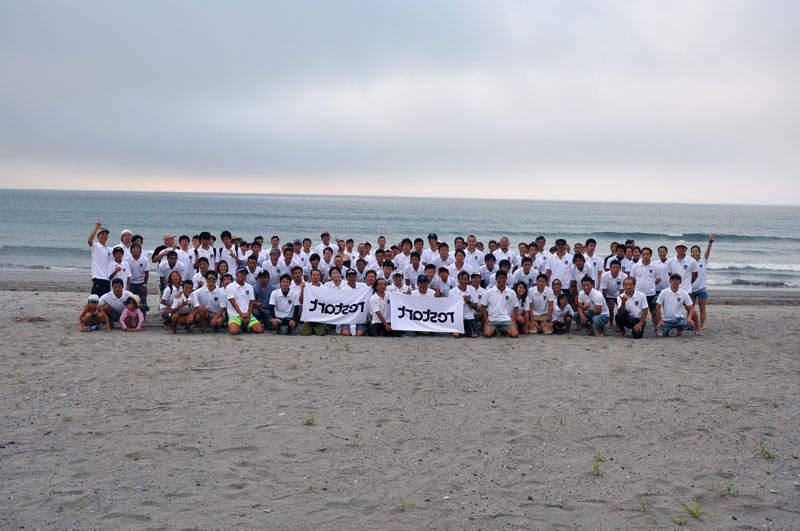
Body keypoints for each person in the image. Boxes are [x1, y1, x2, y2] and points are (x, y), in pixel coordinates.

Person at [655, 273, 697, 338]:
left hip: (678, 319)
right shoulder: (663, 292)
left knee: (691, 325)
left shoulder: (684, 293)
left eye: (677, 280)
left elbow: (691, 309)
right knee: (659, 335)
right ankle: (667, 330)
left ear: (680, 282)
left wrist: (689, 318)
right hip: (666, 319)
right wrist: (660, 320)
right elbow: (657, 307)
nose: (675, 282)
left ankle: (679, 329)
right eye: (673, 280)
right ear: (670, 281)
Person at [630, 247, 662, 328]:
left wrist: (651, 285)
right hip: (638, 294)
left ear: (650, 255)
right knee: (636, 312)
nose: (645, 256)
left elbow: (658, 279)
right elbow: (632, 279)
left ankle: (656, 328)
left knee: (654, 312)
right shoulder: (635, 266)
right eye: (643, 254)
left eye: (647, 254)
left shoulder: (655, 266)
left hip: (651, 294)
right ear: (641, 255)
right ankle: (634, 327)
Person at [227, 266, 265, 335]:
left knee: (260, 330)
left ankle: (245, 326)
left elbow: (251, 302)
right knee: (233, 331)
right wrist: (241, 314)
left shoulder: (249, 287)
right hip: (235, 314)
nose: (243, 275)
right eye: (241, 273)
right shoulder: (230, 287)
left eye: (244, 274)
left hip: (247, 314)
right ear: (236, 274)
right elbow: (233, 303)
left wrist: (249, 315)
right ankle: (240, 325)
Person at [482, 270, 520, 338]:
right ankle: (497, 330)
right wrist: (486, 319)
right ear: (496, 279)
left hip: (506, 319)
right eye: (499, 278)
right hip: (493, 319)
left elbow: (516, 307)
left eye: (503, 278)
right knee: (487, 335)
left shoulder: (511, 292)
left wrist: (514, 320)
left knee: (515, 335)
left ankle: (501, 330)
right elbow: (483, 306)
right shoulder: (489, 292)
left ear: (506, 279)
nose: (501, 280)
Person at [690, 233, 714, 335]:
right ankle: (692, 324)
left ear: (699, 253)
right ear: (691, 253)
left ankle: (700, 327)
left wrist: (710, 241)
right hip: (691, 289)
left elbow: (708, 252)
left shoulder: (703, 261)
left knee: (702, 309)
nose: (695, 253)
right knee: (691, 309)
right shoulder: (690, 262)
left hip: (702, 289)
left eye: (696, 251)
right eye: (693, 252)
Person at [450, 271, 479, 338]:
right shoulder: (452, 292)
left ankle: (465, 331)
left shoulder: (472, 289)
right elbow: (451, 308)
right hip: (457, 318)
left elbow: (475, 307)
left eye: (465, 279)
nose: (463, 281)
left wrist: (468, 302)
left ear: (468, 280)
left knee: (475, 335)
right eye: (461, 279)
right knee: (455, 335)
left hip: (469, 317)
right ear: (458, 280)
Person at [88, 222, 112, 296]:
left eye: (106, 234)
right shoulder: (95, 246)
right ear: (98, 236)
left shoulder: (109, 249)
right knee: (98, 299)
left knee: (105, 299)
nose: (104, 236)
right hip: (98, 277)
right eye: (102, 234)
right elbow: (89, 240)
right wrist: (96, 228)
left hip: (107, 278)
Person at [600, 260, 627, 327]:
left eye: (617, 268)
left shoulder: (624, 276)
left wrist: (620, 302)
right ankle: (611, 322)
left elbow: (622, 290)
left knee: (621, 308)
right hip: (608, 294)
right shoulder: (604, 276)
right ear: (610, 268)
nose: (615, 270)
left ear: (620, 268)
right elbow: (604, 290)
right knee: (610, 307)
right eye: (613, 267)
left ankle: (618, 324)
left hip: (619, 294)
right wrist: (604, 302)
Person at [301, 269, 327, 336]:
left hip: (320, 317)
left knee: (321, 333)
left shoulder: (325, 288)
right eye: (314, 275)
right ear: (311, 276)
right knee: (305, 334)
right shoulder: (306, 287)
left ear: (320, 276)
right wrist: (302, 290)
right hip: (309, 316)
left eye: (317, 275)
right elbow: (301, 301)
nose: (316, 277)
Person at [126, 241, 150, 314]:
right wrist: (128, 286)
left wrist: (144, 285)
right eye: (133, 248)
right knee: (130, 300)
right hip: (131, 282)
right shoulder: (127, 260)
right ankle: (131, 315)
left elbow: (146, 273)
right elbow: (126, 274)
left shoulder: (144, 259)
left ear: (140, 250)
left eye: (137, 248)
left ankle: (144, 317)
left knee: (142, 300)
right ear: (131, 250)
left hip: (141, 282)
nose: (135, 249)